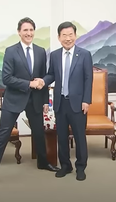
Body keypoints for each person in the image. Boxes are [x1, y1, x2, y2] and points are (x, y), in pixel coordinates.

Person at [0, 17, 59, 193]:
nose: (29, 33)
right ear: (19, 32)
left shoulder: (41, 51)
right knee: (1, 137)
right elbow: (7, 79)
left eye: (31, 30)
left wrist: (46, 100)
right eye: (25, 30)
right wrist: (29, 84)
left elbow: (44, 77)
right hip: (14, 100)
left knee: (39, 133)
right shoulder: (11, 51)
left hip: (35, 100)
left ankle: (43, 162)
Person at [36, 21, 93, 181]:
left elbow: (89, 79)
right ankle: (65, 166)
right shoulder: (54, 55)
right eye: (64, 35)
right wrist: (42, 81)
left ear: (75, 35)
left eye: (71, 35)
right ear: (59, 37)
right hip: (60, 102)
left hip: (78, 103)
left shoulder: (84, 55)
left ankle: (81, 167)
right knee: (61, 137)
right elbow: (51, 75)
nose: (68, 38)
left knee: (79, 137)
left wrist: (86, 100)